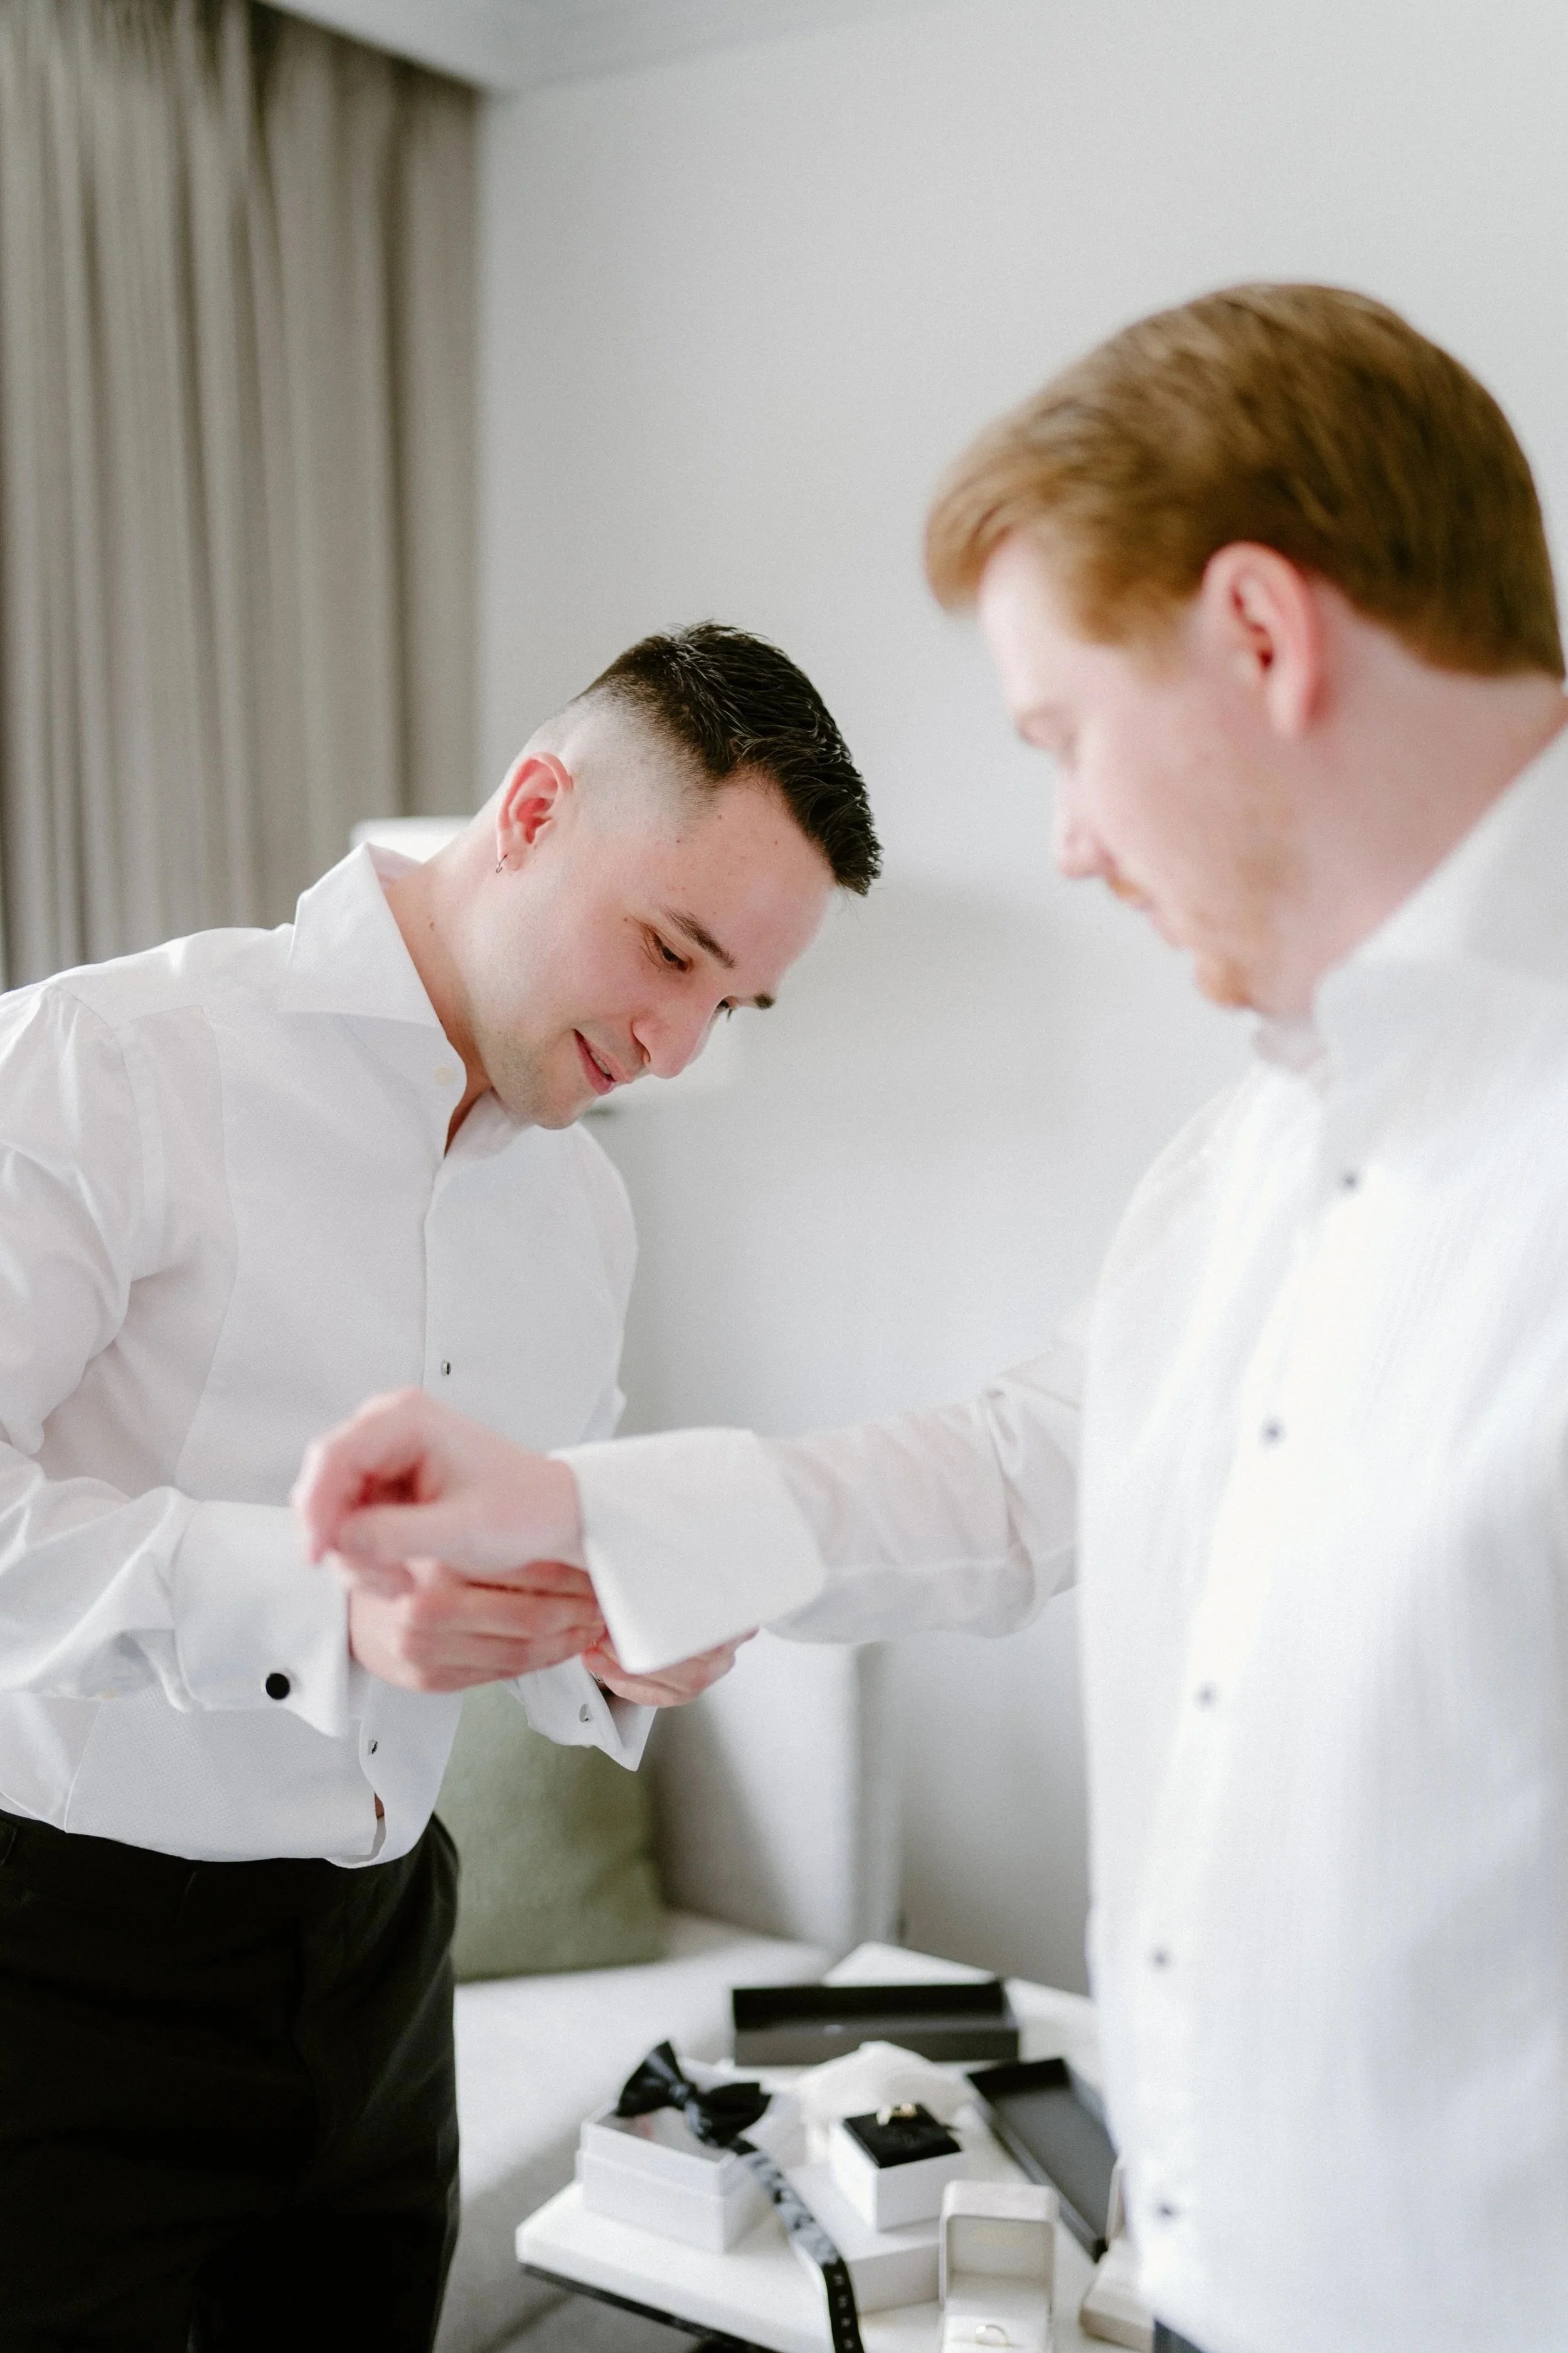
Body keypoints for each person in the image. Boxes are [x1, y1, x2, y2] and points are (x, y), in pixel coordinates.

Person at [297, 287, 1568, 2353]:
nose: (1066, 836)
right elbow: (1018, 1469)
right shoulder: (1252, 1146)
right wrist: (578, 1504)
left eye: (1062, 732)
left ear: (1263, 633)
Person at [0, 619, 880, 2352]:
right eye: (672, 950)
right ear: (536, 804)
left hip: (387, 1970)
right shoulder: (106, 1062)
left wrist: (607, 1644)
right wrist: (327, 1604)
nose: (678, 1043)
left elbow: (516, 1598)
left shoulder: (587, 1215)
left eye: (731, 1000)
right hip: (59, 1984)